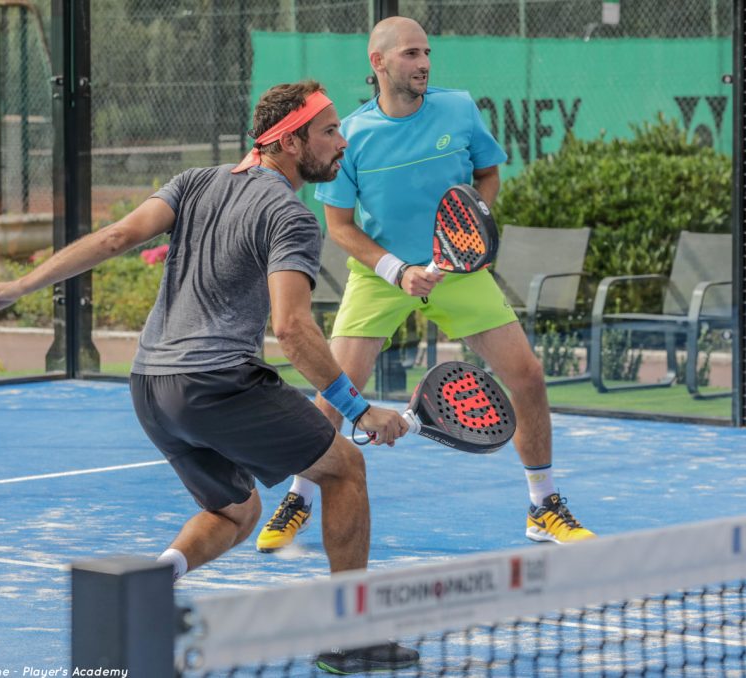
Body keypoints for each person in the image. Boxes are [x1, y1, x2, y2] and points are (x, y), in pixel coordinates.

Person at [0, 80, 419, 675]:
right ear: (290, 141)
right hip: (216, 381)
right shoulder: (290, 216)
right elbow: (293, 328)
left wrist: (22, 285)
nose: (341, 142)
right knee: (345, 468)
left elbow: (116, 236)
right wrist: (357, 409)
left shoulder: (196, 180)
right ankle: (352, 637)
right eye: (328, 131)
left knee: (236, 511)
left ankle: (151, 582)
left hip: (149, 384)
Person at [255, 18, 596, 554]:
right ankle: (299, 495)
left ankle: (543, 504)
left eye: (427, 53)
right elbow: (340, 227)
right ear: (379, 63)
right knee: (333, 391)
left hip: (458, 271)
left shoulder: (458, 108)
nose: (424, 63)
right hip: (380, 274)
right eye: (411, 54)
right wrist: (396, 270)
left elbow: (487, 176)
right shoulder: (354, 135)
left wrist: (467, 233)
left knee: (528, 376)